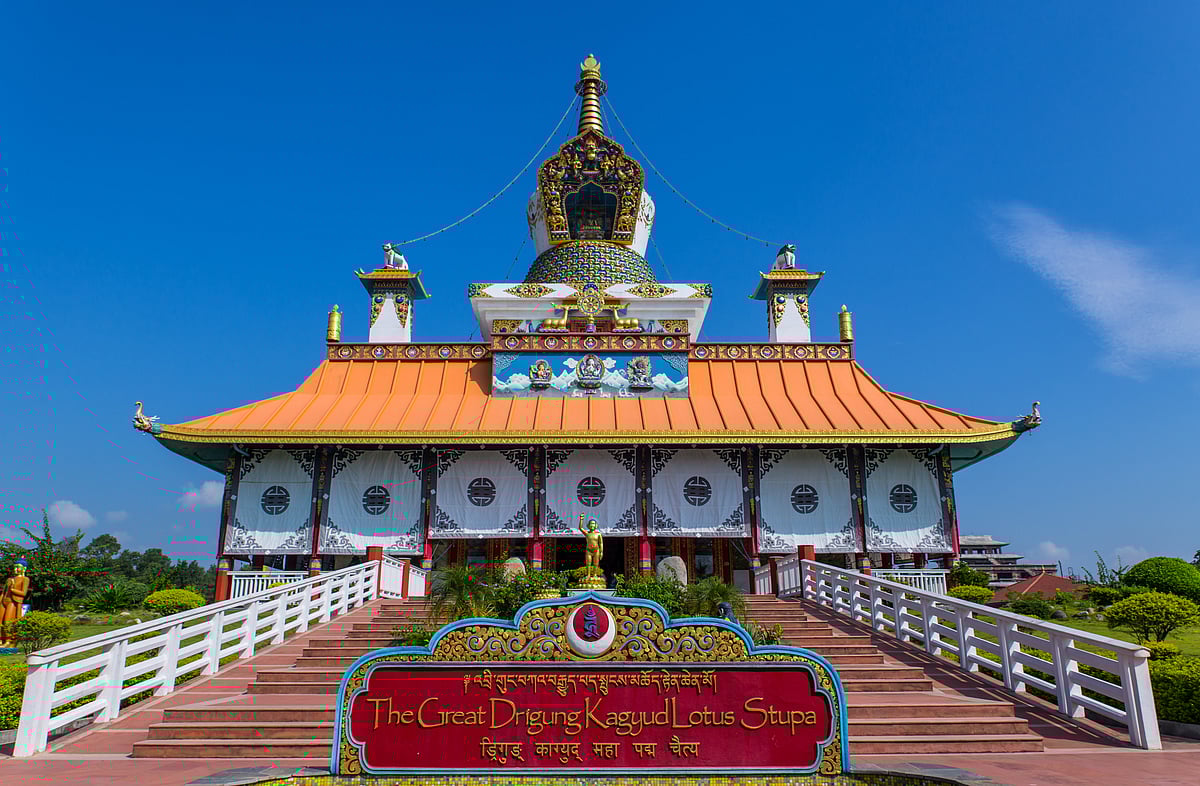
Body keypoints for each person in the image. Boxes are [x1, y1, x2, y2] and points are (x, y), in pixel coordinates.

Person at [0, 560, 30, 646]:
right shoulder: (9, 579)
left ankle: (8, 641)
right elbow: (4, 592)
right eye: (15, 567)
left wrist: (13, 589)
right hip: (4, 601)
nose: (16, 569)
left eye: (18, 567)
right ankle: (1, 639)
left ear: (23, 569)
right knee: (0, 622)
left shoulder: (25, 579)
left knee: (7, 622)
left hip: (13, 602)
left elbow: (23, 593)